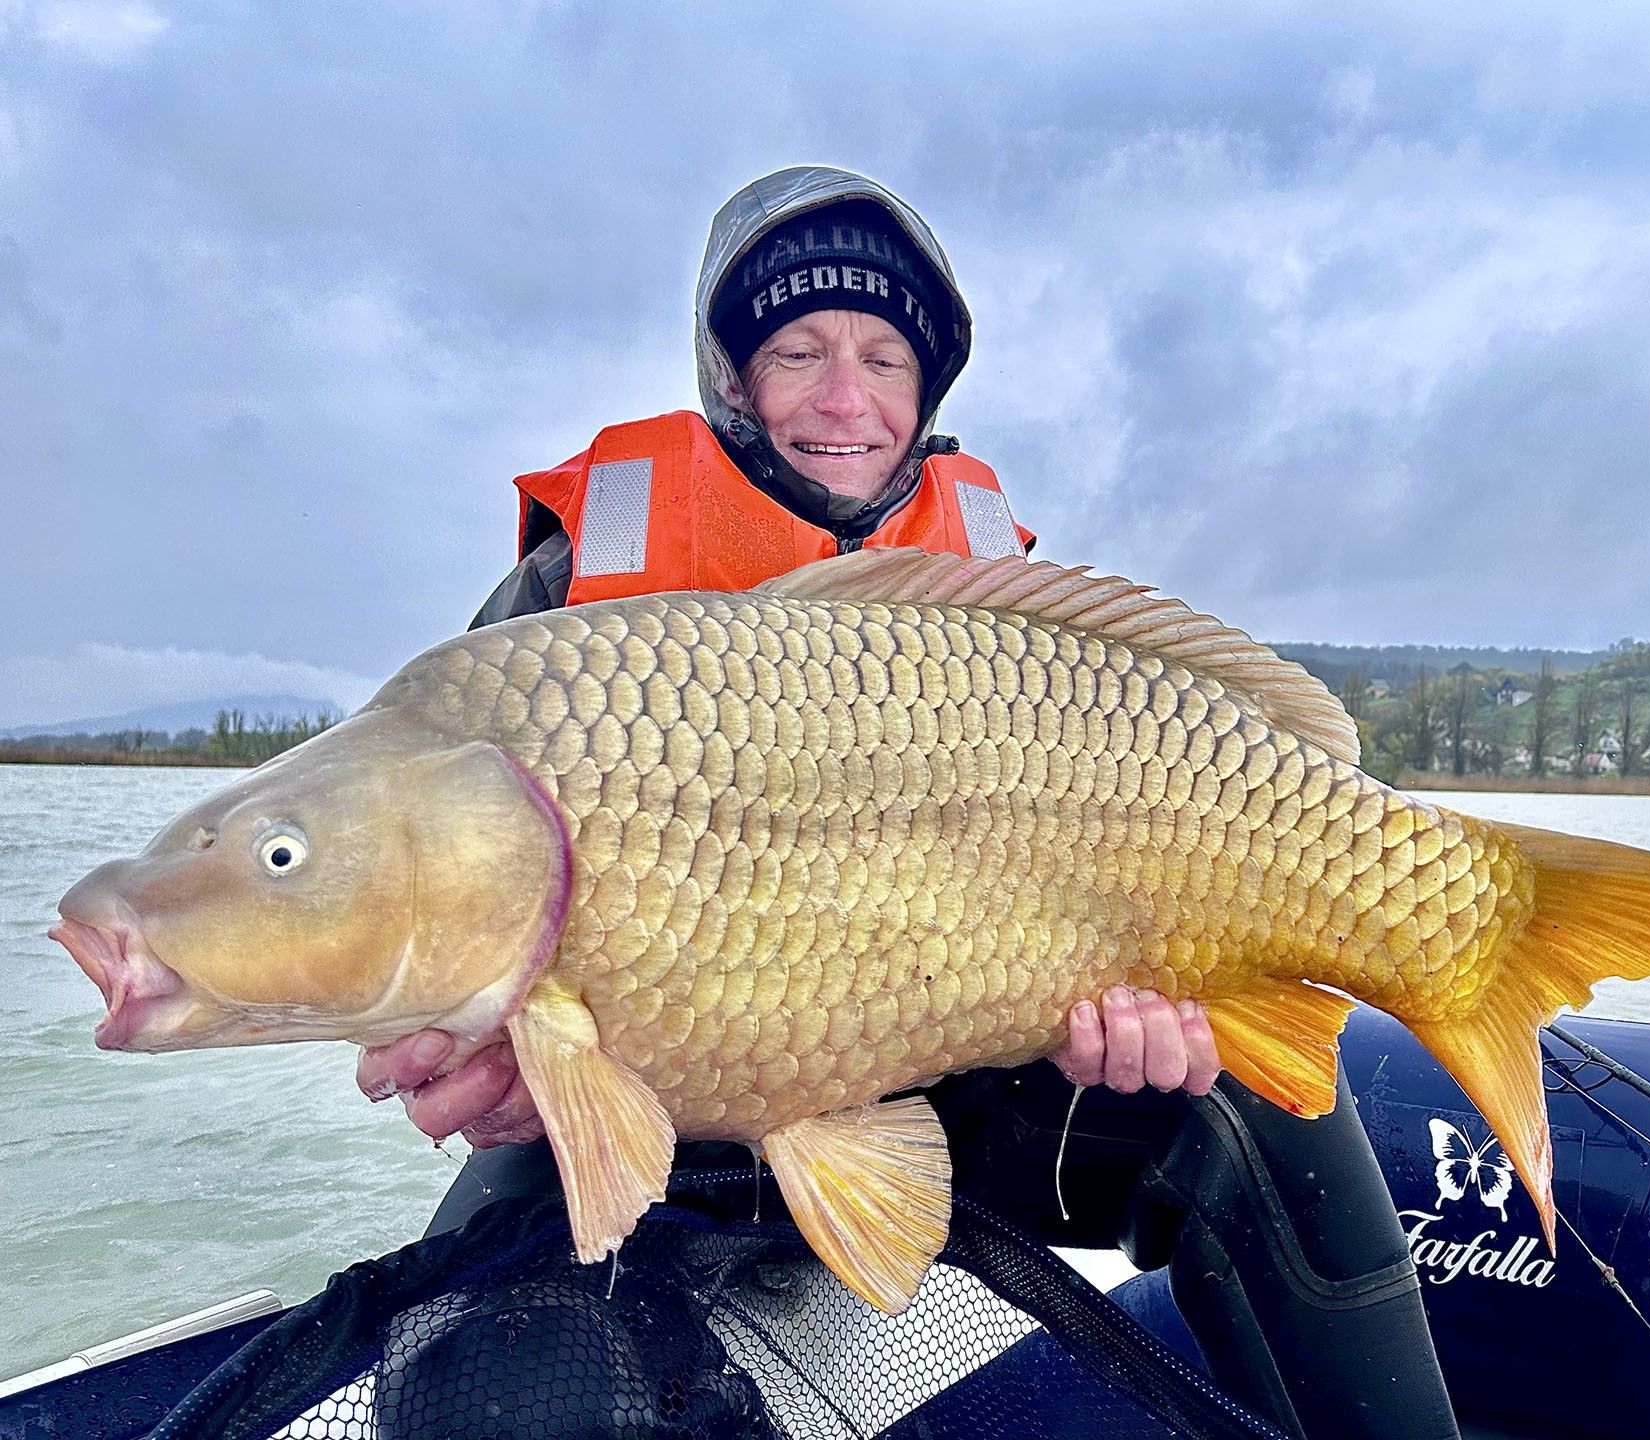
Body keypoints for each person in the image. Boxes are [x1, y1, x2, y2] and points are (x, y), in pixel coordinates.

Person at [356, 166, 1461, 1440]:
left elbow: (1116, 883)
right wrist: (478, 1055)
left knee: (1272, 1121)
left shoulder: (998, 608)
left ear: (926, 390)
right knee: (471, 1372)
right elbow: (408, 895)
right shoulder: (562, 608)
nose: (845, 398)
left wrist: (1133, 1011)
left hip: (947, 1091)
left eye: (884, 358)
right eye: (799, 351)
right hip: (623, 1117)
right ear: (730, 377)